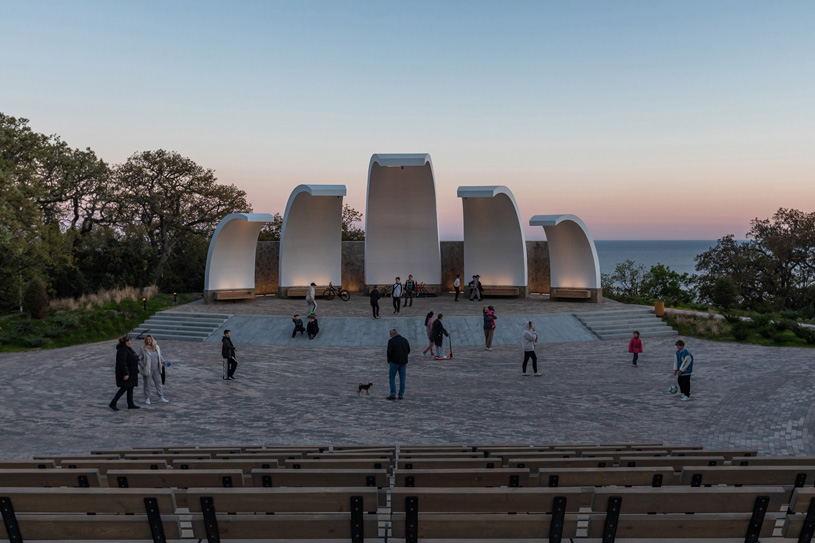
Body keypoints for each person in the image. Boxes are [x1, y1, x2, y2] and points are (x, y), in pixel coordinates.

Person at [109, 335, 140, 410]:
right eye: (128, 341)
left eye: (130, 340)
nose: (130, 342)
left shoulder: (128, 349)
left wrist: (137, 358)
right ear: (124, 342)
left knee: (130, 388)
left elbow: (131, 358)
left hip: (131, 372)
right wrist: (126, 373)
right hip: (126, 373)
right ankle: (113, 402)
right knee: (124, 388)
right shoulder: (122, 350)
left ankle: (130, 403)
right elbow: (122, 362)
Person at [139, 334, 168, 405]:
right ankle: (147, 398)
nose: (148, 341)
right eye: (147, 339)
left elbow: (159, 355)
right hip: (148, 369)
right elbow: (139, 359)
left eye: (149, 339)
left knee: (159, 383)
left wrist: (163, 361)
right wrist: (143, 366)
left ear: (152, 340)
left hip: (156, 369)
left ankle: (161, 396)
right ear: (145, 340)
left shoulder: (156, 347)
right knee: (147, 384)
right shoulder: (143, 348)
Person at [386, 328, 410, 400]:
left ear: (393, 334)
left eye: (390, 335)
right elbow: (408, 350)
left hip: (394, 362)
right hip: (403, 362)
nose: (390, 336)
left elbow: (389, 352)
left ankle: (393, 394)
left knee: (392, 378)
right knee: (402, 379)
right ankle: (401, 395)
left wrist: (389, 360)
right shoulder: (405, 340)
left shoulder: (391, 341)